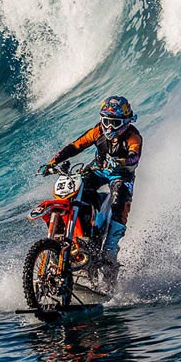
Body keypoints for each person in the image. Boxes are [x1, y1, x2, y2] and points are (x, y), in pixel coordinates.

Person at [39, 95, 142, 266]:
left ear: (126, 121)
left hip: (121, 175)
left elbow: (134, 157)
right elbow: (76, 146)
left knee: (120, 203)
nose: (109, 127)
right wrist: (52, 162)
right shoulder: (98, 131)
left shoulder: (133, 136)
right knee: (75, 189)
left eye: (114, 123)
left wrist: (121, 161)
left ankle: (109, 250)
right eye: (106, 121)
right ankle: (79, 233)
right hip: (98, 169)